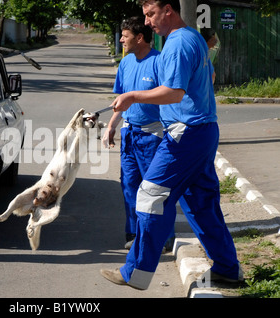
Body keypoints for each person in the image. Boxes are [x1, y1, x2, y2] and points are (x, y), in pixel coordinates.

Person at [101, 0, 241, 290]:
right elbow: (208, 78)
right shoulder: (193, 37)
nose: (148, 22)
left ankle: (135, 273)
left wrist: (132, 97)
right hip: (202, 130)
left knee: (151, 196)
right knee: (201, 205)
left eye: (151, 14)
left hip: (185, 134)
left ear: (169, 10)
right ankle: (227, 269)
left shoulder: (176, 43)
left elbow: (174, 93)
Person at [102, 17, 167, 250]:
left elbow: (171, 97)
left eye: (125, 35)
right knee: (129, 185)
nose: (121, 39)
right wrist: (111, 125)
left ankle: (158, 235)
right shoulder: (126, 63)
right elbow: (122, 101)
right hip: (129, 135)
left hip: (153, 137)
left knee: (153, 188)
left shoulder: (160, 62)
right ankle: (133, 234)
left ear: (139, 38)